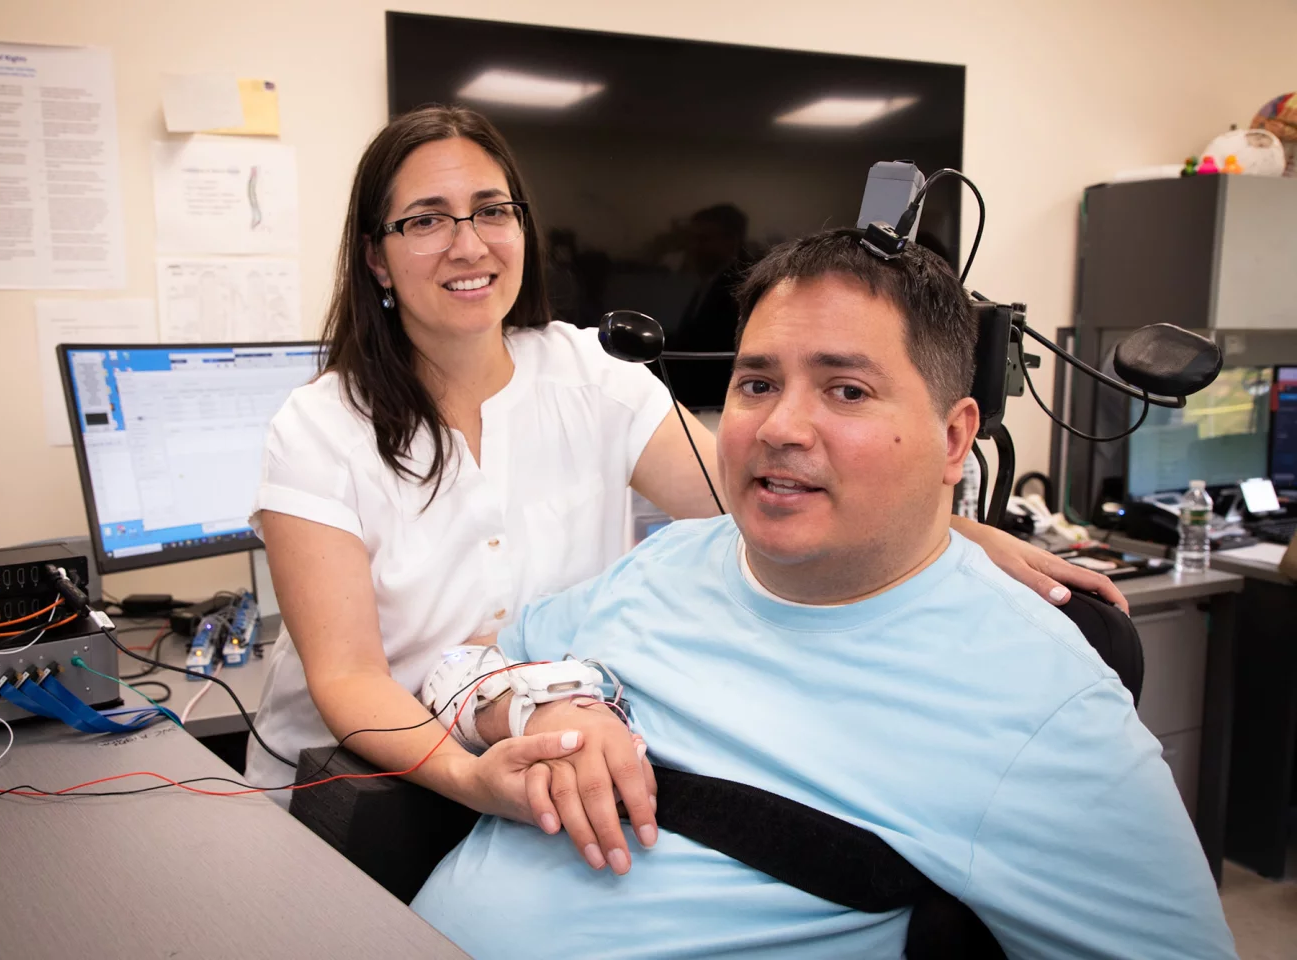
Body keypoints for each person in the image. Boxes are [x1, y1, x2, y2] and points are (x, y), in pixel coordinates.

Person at [246, 104, 1129, 860]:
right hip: (357, 796)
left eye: (491, 210)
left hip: (545, 759)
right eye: (426, 219)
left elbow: (752, 490)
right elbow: (350, 679)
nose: (468, 243)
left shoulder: (591, 373)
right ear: (375, 256)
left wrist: (960, 531)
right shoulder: (321, 427)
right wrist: (471, 780)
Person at [411, 230, 1235, 959]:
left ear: (955, 441)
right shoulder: (665, 563)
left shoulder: (1043, 708)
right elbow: (459, 668)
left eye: (846, 390)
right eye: (757, 384)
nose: (779, 428)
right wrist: (543, 710)